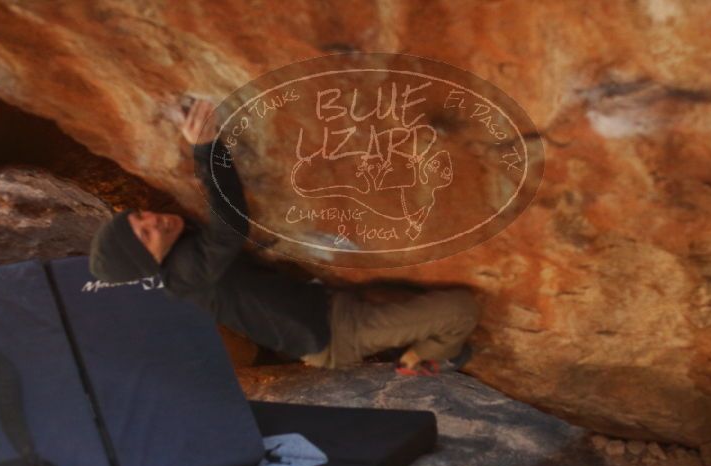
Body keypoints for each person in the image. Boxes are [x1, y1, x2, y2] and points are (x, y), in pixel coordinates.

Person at [88, 99, 480, 375]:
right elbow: (230, 225)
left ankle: (420, 345)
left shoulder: (182, 264)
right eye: (144, 233)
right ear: (147, 261)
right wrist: (206, 148)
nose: (155, 220)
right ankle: (421, 361)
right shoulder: (189, 276)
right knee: (461, 310)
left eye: (141, 216)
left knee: (411, 308)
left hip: (323, 309)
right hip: (339, 334)